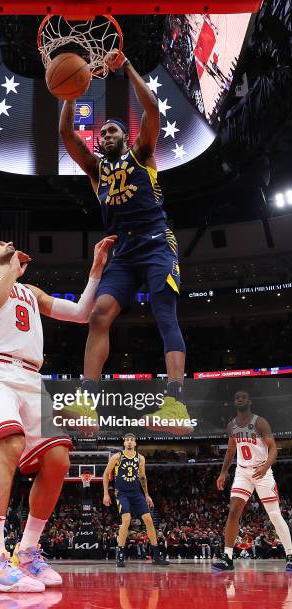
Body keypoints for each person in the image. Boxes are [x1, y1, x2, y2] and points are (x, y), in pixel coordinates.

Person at [0, 237, 114, 592]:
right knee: (10, 444)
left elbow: (80, 314)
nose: (7, 242)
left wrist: (95, 271)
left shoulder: (30, 290)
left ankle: (28, 551)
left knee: (59, 458)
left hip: (32, 378)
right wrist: (12, 271)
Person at [59, 50, 190, 435]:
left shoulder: (142, 154)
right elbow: (67, 134)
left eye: (113, 130)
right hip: (123, 252)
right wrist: (70, 94)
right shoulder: (96, 171)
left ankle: (176, 404)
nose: (106, 134)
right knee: (99, 315)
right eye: (102, 134)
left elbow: (152, 111)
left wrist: (127, 67)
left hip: (155, 242)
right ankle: (86, 402)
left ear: (126, 136)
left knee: (165, 310)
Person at [213, 390, 292, 572]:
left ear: (249, 401)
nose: (239, 399)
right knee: (233, 511)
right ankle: (228, 558)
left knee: (274, 514)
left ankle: (290, 555)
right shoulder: (232, 425)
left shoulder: (260, 422)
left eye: (243, 397)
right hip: (242, 472)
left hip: (262, 471)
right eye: (237, 397)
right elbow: (231, 451)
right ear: (235, 402)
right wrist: (223, 472)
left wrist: (265, 467)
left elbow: (273, 449)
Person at [102, 433, 169, 567]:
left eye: (132, 440)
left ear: (135, 443)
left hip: (137, 493)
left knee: (149, 520)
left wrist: (147, 495)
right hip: (122, 493)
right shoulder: (117, 457)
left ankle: (156, 555)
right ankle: (120, 555)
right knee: (126, 520)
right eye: (127, 440)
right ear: (124, 443)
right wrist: (106, 494)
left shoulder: (140, 458)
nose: (129, 442)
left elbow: (142, 477)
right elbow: (105, 474)